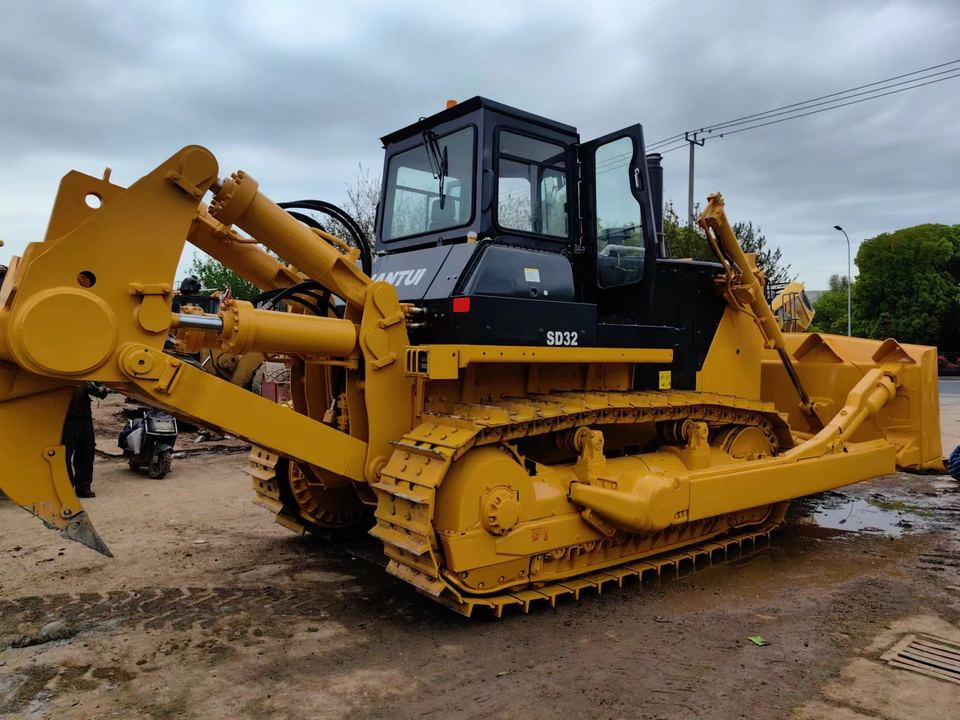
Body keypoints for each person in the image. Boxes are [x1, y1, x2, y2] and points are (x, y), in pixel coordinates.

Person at [62, 382, 109, 498]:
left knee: (86, 451)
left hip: (84, 416)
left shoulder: (85, 375)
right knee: (64, 454)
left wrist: (98, 388)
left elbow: (102, 389)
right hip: (64, 418)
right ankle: (66, 488)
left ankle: (83, 487)